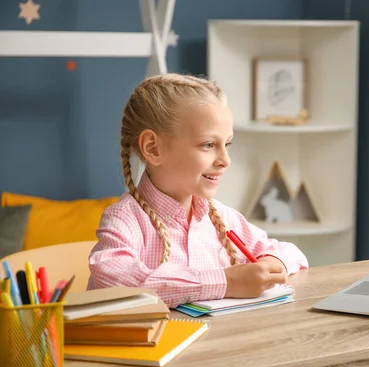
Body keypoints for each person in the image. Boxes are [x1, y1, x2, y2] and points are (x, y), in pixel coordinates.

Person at [87, 73, 309, 308]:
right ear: (153, 148)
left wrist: (272, 263)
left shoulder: (223, 218)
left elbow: (291, 253)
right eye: (209, 145)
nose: (225, 160)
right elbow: (112, 278)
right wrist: (225, 282)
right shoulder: (125, 219)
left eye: (228, 144)